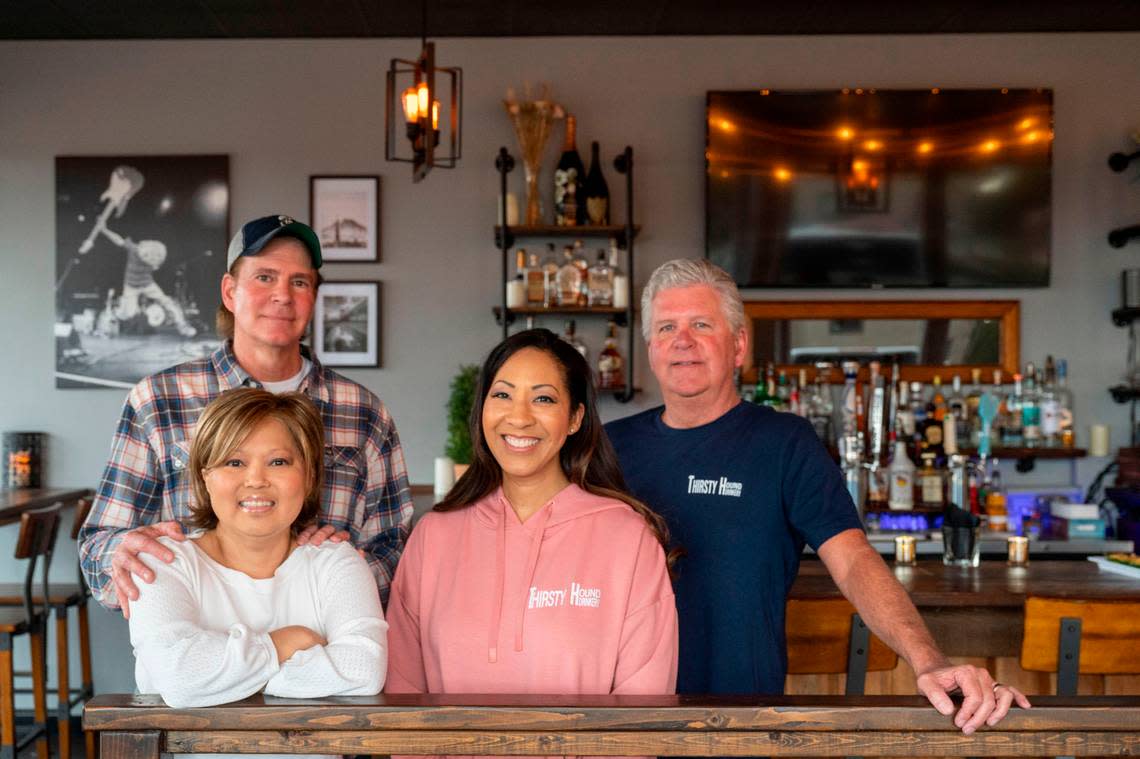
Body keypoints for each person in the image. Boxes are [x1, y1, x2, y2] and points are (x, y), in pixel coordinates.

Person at [605, 259, 1030, 734]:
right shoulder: (608, 447)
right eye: (666, 327)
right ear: (649, 348)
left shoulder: (784, 442)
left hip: (742, 718)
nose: (682, 341)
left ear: (739, 344)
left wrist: (928, 660)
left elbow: (852, 560)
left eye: (701, 324)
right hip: (624, 716)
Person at [79, 214, 413, 614]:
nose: (283, 295)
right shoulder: (157, 399)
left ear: (314, 297)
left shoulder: (364, 412)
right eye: (265, 277)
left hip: (327, 655)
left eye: (300, 282)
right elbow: (100, 545)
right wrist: (122, 556)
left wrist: (346, 573)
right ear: (229, 291)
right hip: (202, 652)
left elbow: (397, 547)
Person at [385, 329, 677, 718]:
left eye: (543, 398)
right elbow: (403, 695)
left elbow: (644, 703)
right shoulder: (434, 536)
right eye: (502, 395)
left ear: (575, 418)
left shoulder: (628, 538)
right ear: (483, 410)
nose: (519, 417)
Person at [129, 389, 385, 748]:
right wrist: (282, 645)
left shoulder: (337, 562)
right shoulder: (163, 562)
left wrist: (230, 680)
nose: (256, 479)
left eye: (278, 462)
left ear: (309, 476)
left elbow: (364, 671)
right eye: (234, 462)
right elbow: (179, 678)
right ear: (205, 476)